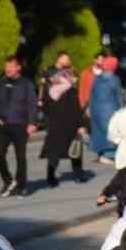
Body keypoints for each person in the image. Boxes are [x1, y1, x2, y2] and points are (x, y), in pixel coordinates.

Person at [39, 51, 87, 188]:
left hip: (71, 115)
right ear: (59, 58)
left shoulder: (71, 74)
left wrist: (81, 123)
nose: (69, 60)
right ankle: (50, 176)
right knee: (54, 148)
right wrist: (45, 109)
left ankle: (78, 173)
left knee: (75, 147)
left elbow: (75, 100)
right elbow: (43, 94)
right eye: (67, 58)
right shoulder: (48, 73)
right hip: (56, 117)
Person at [0, 55, 37, 198]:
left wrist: (32, 123)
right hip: (3, 125)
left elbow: (32, 104)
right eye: (6, 66)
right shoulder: (1, 82)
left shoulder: (26, 84)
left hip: (20, 125)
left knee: (20, 157)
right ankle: (8, 181)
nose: (8, 69)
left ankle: (21, 186)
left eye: (11, 66)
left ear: (18, 67)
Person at [87, 51, 124, 163]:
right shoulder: (114, 79)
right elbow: (118, 96)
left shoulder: (97, 78)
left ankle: (101, 153)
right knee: (111, 131)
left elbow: (91, 94)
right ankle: (109, 154)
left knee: (99, 131)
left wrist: (90, 108)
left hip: (96, 108)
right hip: (110, 109)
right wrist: (121, 109)